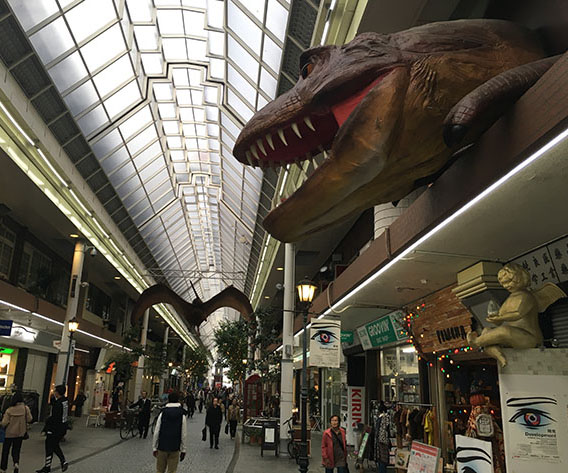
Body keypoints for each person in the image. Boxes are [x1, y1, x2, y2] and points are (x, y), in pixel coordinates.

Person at [36, 385, 69, 473]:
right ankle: (59, 462)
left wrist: (48, 428)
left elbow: (54, 417)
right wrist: (53, 399)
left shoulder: (58, 404)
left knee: (50, 446)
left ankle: (56, 463)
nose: (54, 392)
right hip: (62, 427)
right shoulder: (65, 401)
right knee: (54, 445)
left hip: (55, 428)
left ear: (58, 392)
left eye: (55, 391)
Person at [153, 392, 187, 473]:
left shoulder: (163, 413)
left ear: (168, 400)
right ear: (178, 400)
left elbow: (157, 430)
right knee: (172, 470)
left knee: (160, 470)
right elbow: (184, 433)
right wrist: (183, 449)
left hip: (162, 445)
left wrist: (154, 447)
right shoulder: (181, 414)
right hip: (175, 446)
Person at [1, 390, 32, 473]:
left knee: (5, 451)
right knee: (16, 450)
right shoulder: (25, 408)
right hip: (20, 433)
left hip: (9, 433)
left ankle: (3, 468)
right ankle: (16, 463)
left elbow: (4, 423)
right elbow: (30, 419)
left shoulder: (9, 410)